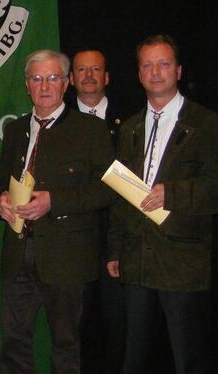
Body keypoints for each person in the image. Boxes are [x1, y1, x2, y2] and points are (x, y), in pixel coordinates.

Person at [0, 50, 114, 373]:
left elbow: (107, 190)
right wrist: (1, 201)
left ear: (66, 84)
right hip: (18, 253)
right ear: (26, 85)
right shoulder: (15, 131)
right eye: (36, 79)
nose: (44, 86)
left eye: (52, 78)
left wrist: (54, 201)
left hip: (67, 257)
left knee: (66, 345)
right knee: (14, 343)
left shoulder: (91, 130)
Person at [108, 34, 218, 374]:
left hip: (183, 260)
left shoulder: (207, 124)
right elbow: (119, 193)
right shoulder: (127, 129)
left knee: (189, 358)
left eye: (164, 64)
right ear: (139, 74)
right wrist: (114, 250)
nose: (155, 72)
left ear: (179, 71)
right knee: (133, 358)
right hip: (137, 257)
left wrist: (173, 193)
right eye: (147, 65)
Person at [69, 48, 126, 374]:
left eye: (95, 70)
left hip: (116, 242)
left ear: (107, 77)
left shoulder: (132, 122)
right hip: (72, 242)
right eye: (81, 70)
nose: (88, 76)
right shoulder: (57, 122)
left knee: (117, 325)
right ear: (71, 78)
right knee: (76, 331)